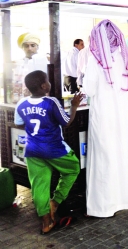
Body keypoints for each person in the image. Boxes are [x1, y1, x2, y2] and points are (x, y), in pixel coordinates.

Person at [14, 70, 83, 234]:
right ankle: (56, 202)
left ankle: (46, 222)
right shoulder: (51, 102)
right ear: (44, 86)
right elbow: (66, 122)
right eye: (48, 81)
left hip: (33, 151)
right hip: (55, 149)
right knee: (73, 169)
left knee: (39, 185)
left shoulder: (21, 104)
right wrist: (74, 106)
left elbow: (18, 124)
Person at [83, 20, 128, 217]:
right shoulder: (122, 58)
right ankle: (122, 200)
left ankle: (102, 207)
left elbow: (89, 89)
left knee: (103, 158)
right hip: (120, 116)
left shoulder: (95, 59)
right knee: (120, 155)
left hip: (103, 116)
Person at [14, 33, 48, 98]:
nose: (29, 48)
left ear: (37, 47)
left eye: (32, 45)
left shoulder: (44, 61)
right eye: (26, 46)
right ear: (23, 48)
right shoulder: (20, 63)